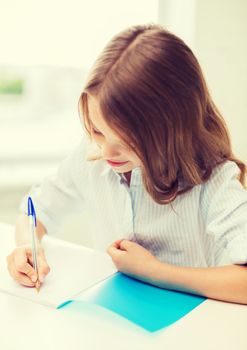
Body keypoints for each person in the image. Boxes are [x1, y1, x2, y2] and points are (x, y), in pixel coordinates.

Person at [7, 24, 247, 304]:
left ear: (171, 130)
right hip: (111, 319)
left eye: (125, 142)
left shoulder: (214, 179)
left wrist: (155, 271)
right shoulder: (94, 156)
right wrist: (27, 245)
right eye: (97, 131)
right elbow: (35, 210)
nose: (106, 151)